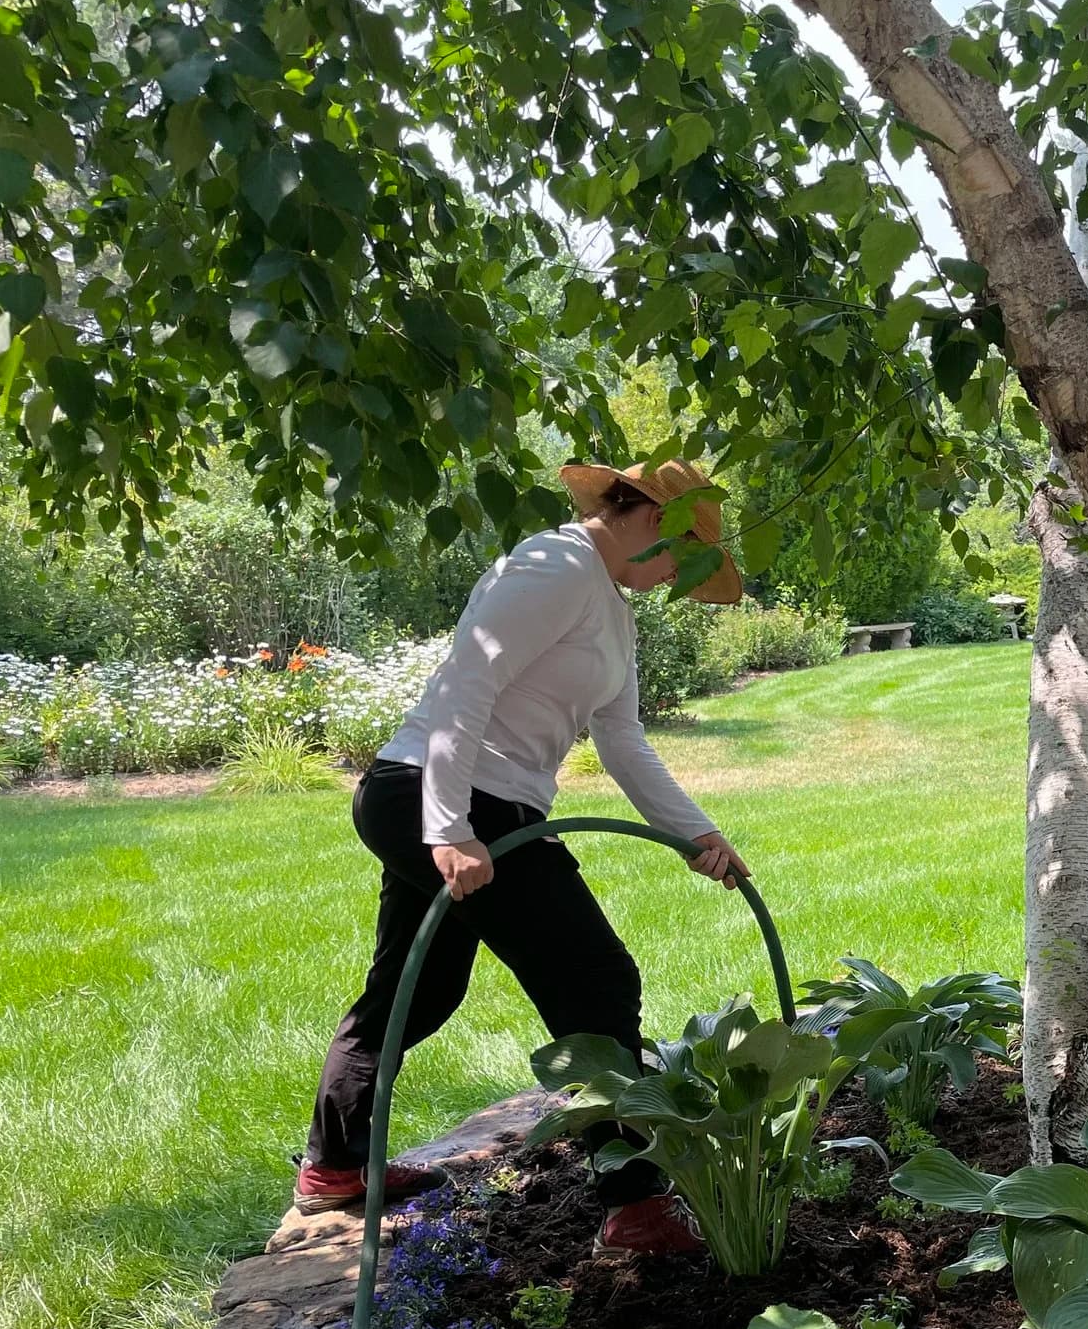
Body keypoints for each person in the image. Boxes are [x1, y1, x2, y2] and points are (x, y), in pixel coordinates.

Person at [298, 460, 751, 1256]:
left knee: (422, 984)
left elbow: (621, 740)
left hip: (473, 805)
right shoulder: (557, 563)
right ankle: (633, 1203)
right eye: (682, 557)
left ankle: (336, 1164)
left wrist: (696, 833)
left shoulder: (611, 609)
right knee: (598, 979)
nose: (677, 576)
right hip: (439, 798)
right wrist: (448, 826)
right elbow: (469, 678)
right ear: (653, 520)